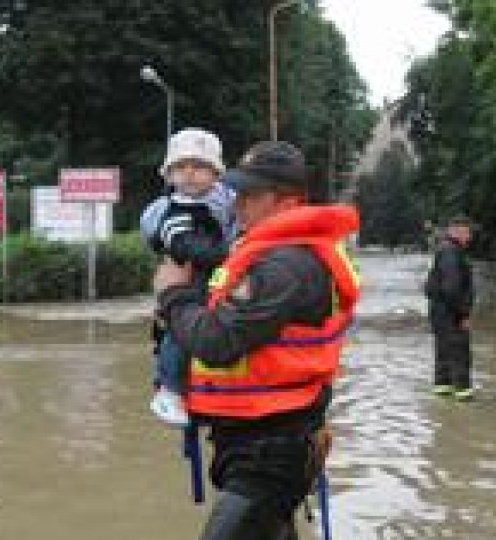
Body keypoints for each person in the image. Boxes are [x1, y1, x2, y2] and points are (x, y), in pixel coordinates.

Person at [153, 140, 360, 540]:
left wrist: (172, 295)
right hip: (252, 441)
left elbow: (217, 341)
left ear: (287, 199)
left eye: (251, 194)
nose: (237, 204)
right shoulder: (267, 255)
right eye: (237, 192)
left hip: (273, 450)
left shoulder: (285, 265)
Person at [140, 127, 238, 426]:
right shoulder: (174, 213)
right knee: (178, 336)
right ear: (169, 175)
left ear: (216, 173)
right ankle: (169, 390)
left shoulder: (229, 203)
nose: (189, 174)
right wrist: (232, 254)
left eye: (199, 167)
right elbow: (192, 249)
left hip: (218, 284)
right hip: (189, 282)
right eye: (180, 168)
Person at [424, 215, 474, 400]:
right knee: (460, 352)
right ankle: (464, 395)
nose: (469, 238)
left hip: (440, 310)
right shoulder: (451, 252)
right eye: (468, 233)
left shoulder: (445, 249)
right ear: (458, 231)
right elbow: (452, 288)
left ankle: (443, 391)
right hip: (449, 312)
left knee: (443, 351)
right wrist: (463, 315)